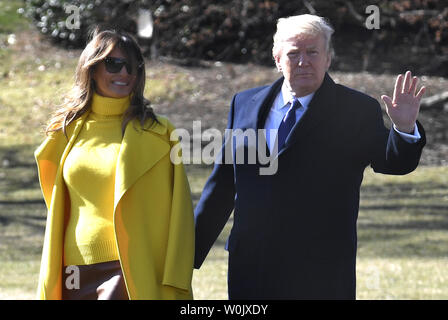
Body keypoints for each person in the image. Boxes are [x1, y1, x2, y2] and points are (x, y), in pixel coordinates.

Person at [194, 14, 426, 299]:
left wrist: (403, 129)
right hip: (251, 268)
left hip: (321, 273)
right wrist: (185, 255)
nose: (304, 61)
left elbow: (392, 162)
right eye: (294, 53)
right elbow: (223, 186)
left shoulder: (356, 109)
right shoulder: (244, 104)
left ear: (328, 58)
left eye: (313, 52)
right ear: (277, 58)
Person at [34, 27, 194, 300]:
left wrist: (176, 276)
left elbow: (181, 213)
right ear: (92, 69)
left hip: (129, 267)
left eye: (132, 66)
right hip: (73, 269)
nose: (124, 74)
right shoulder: (65, 131)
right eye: (113, 64)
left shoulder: (160, 133)